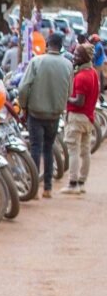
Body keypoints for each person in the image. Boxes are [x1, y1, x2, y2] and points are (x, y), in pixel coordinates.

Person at [18, 32, 73, 198]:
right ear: (61, 46)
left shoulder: (36, 61)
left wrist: (23, 106)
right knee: (48, 148)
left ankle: (33, 189)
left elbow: (23, 88)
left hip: (35, 113)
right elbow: (69, 91)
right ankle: (47, 188)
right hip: (55, 114)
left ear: (47, 45)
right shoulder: (68, 65)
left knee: (35, 148)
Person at [61, 43, 99, 194]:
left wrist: (66, 98)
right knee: (85, 151)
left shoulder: (82, 77)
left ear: (84, 57)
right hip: (89, 117)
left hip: (77, 117)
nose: (74, 57)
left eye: (77, 55)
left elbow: (79, 101)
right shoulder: (93, 73)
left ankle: (73, 183)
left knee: (73, 150)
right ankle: (82, 182)